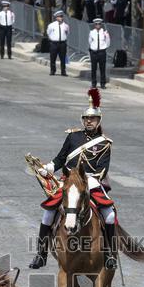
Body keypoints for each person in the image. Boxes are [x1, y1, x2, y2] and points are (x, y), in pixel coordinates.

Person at [30, 89, 116, 270]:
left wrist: (84, 181)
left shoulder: (104, 143)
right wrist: (48, 169)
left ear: (99, 120)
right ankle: (41, 254)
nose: (89, 121)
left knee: (110, 215)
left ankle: (109, 254)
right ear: (82, 120)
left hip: (90, 182)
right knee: (48, 213)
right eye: (86, 119)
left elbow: (102, 170)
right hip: (68, 181)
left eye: (92, 119)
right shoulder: (73, 136)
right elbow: (61, 158)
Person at [88, 18, 110, 89]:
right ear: (94, 25)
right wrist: (93, 48)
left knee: (102, 68)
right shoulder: (91, 32)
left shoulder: (104, 32)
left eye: (99, 24)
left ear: (101, 24)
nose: (98, 25)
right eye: (96, 24)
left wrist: (104, 47)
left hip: (102, 52)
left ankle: (102, 83)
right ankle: (94, 83)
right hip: (94, 52)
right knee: (93, 68)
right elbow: (90, 41)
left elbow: (108, 41)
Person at [46, 10, 69, 76]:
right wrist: (52, 39)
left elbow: (67, 33)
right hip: (54, 43)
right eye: (59, 16)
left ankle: (63, 71)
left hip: (62, 43)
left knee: (63, 58)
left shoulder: (66, 25)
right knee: (53, 57)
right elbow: (48, 33)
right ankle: (52, 70)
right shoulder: (51, 25)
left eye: (61, 16)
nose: (61, 18)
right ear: (56, 17)